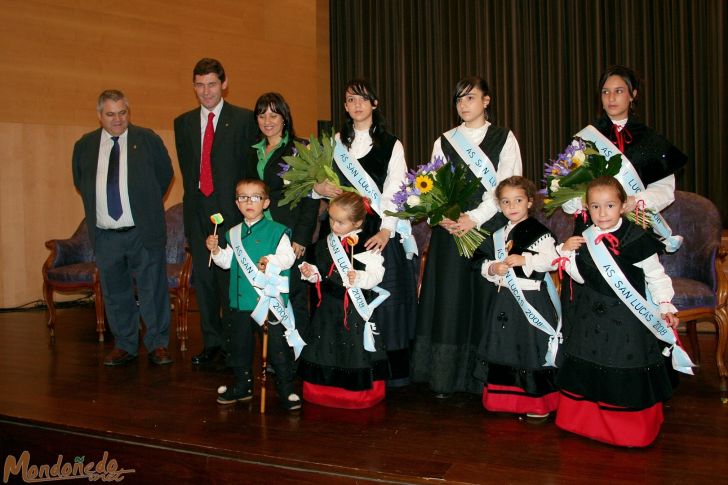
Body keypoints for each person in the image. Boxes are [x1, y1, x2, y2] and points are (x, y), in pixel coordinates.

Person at [411, 76, 523, 396]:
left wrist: (473, 218)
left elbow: (507, 187)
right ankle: (444, 379)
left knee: (482, 300)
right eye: (459, 99)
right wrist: (444, 216)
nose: (463, 104)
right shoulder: (444, 140)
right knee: (449, 302)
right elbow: (432, 184)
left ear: (486, 101)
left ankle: (480, 380)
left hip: (486, 229)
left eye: (470, 98)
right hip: (450, 231)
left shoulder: (504, 138)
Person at [554, 176, 681, 447]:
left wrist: (665, 304)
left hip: (626, 320)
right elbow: (579, 276)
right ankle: (583, 423)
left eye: (609, 205)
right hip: (589, 316)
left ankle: (628, 431)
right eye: (595, 207)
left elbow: (656, 276)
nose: (602, 213)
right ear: (587, 208)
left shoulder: (636, 237)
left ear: (623, 206)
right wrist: (566, 254)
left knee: (623, 363)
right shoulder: (584, 237)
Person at [313, 79, 417, 387]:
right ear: (345, 107)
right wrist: (319, 187)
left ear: (374, 104)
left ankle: (383, 374)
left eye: (363, 99)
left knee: (382, 303)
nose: (357, 104)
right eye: (350, 100)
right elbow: (317, 184)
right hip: (339, 230)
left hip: (377, 231)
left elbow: (396, 190)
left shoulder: (391, 144)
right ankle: (342, 367)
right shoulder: (334, 143)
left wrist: (386, 231)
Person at [72, 89, 174, 366]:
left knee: (152, 290)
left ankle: (158, 344)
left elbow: (165, 176)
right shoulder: (85, 145)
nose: (117, 119)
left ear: (128, 112)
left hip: (143, 231)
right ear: (99, 116)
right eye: (110, 114)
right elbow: (81, 182)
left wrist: (144, 205)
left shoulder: (147, 140)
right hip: (106, 235)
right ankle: (125, 345)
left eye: (122, 113)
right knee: (115, 292)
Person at [174, 58, 258, 365]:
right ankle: (212, 344)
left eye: (212, 84)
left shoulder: (244, 120)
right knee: (206, 283)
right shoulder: (182, 123)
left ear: (224, 84)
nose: (206, 91)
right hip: (198, 213)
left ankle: (236, 344)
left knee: (231, 282)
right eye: (200, 85)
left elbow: (250, 169)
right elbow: (187, 171)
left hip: (233, 214)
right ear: (193, 86)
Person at [206, 179, 300, 410]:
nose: (249, 202)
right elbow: (227, 263)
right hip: (240, 301)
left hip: (268, 301)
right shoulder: (232, 233)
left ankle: (286, 389)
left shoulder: (277, 231)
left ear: (266, 202)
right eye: (243, 197)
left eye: (255, 197)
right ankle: (242, 385)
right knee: (239, 346)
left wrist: (272, 261)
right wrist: (216, 250)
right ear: (237, 203)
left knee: (277, 347)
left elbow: (289, 257)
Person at [472, 177, 560, 421]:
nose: (512, 206)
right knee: (503, 347)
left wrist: (526, 260)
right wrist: (492, 268)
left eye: (518, 200)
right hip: (504, 301)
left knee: (529, 349)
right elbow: (479, 261)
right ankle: (503, 400)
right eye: (506, 201)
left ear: (530, 202)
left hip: (530, 299)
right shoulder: (497, 234)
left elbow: (552, 261)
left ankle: (535, 403)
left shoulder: (540, 233)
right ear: (499, 205)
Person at [297, 192, 389, 409]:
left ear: (357, 222)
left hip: (355, 310)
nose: (334, 225)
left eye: (340, 222)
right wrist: (310, 273)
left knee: (354, 351)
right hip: (328, 309)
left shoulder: (369, 244)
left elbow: (378, 275)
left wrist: (361, 278)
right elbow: (320, 274)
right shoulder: (323, 244)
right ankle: (320, 392)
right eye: (331, 219)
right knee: (324, 348)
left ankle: (356, 395)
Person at [564, 65, 687, 216]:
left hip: (635, 221)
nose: (611, 98)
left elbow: (664, 190)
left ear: (632, 95)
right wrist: (587, 202)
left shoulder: (650, 140)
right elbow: (566, 188)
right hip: (592, 224)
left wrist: (634, 200)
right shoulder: (584, 139)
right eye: (605, 92)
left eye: (619, 91)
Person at [251, 92, 319, 338]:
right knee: (264, 294)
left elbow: (311, 199)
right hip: (258, 234)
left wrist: (301, 237)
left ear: (284, 117)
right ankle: (275, 355)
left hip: (289, 236)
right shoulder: (252, 150)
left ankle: (298, 354)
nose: (267, 120)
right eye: (261, 114)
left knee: (294, 297)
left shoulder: (300, 149)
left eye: (273, 114)